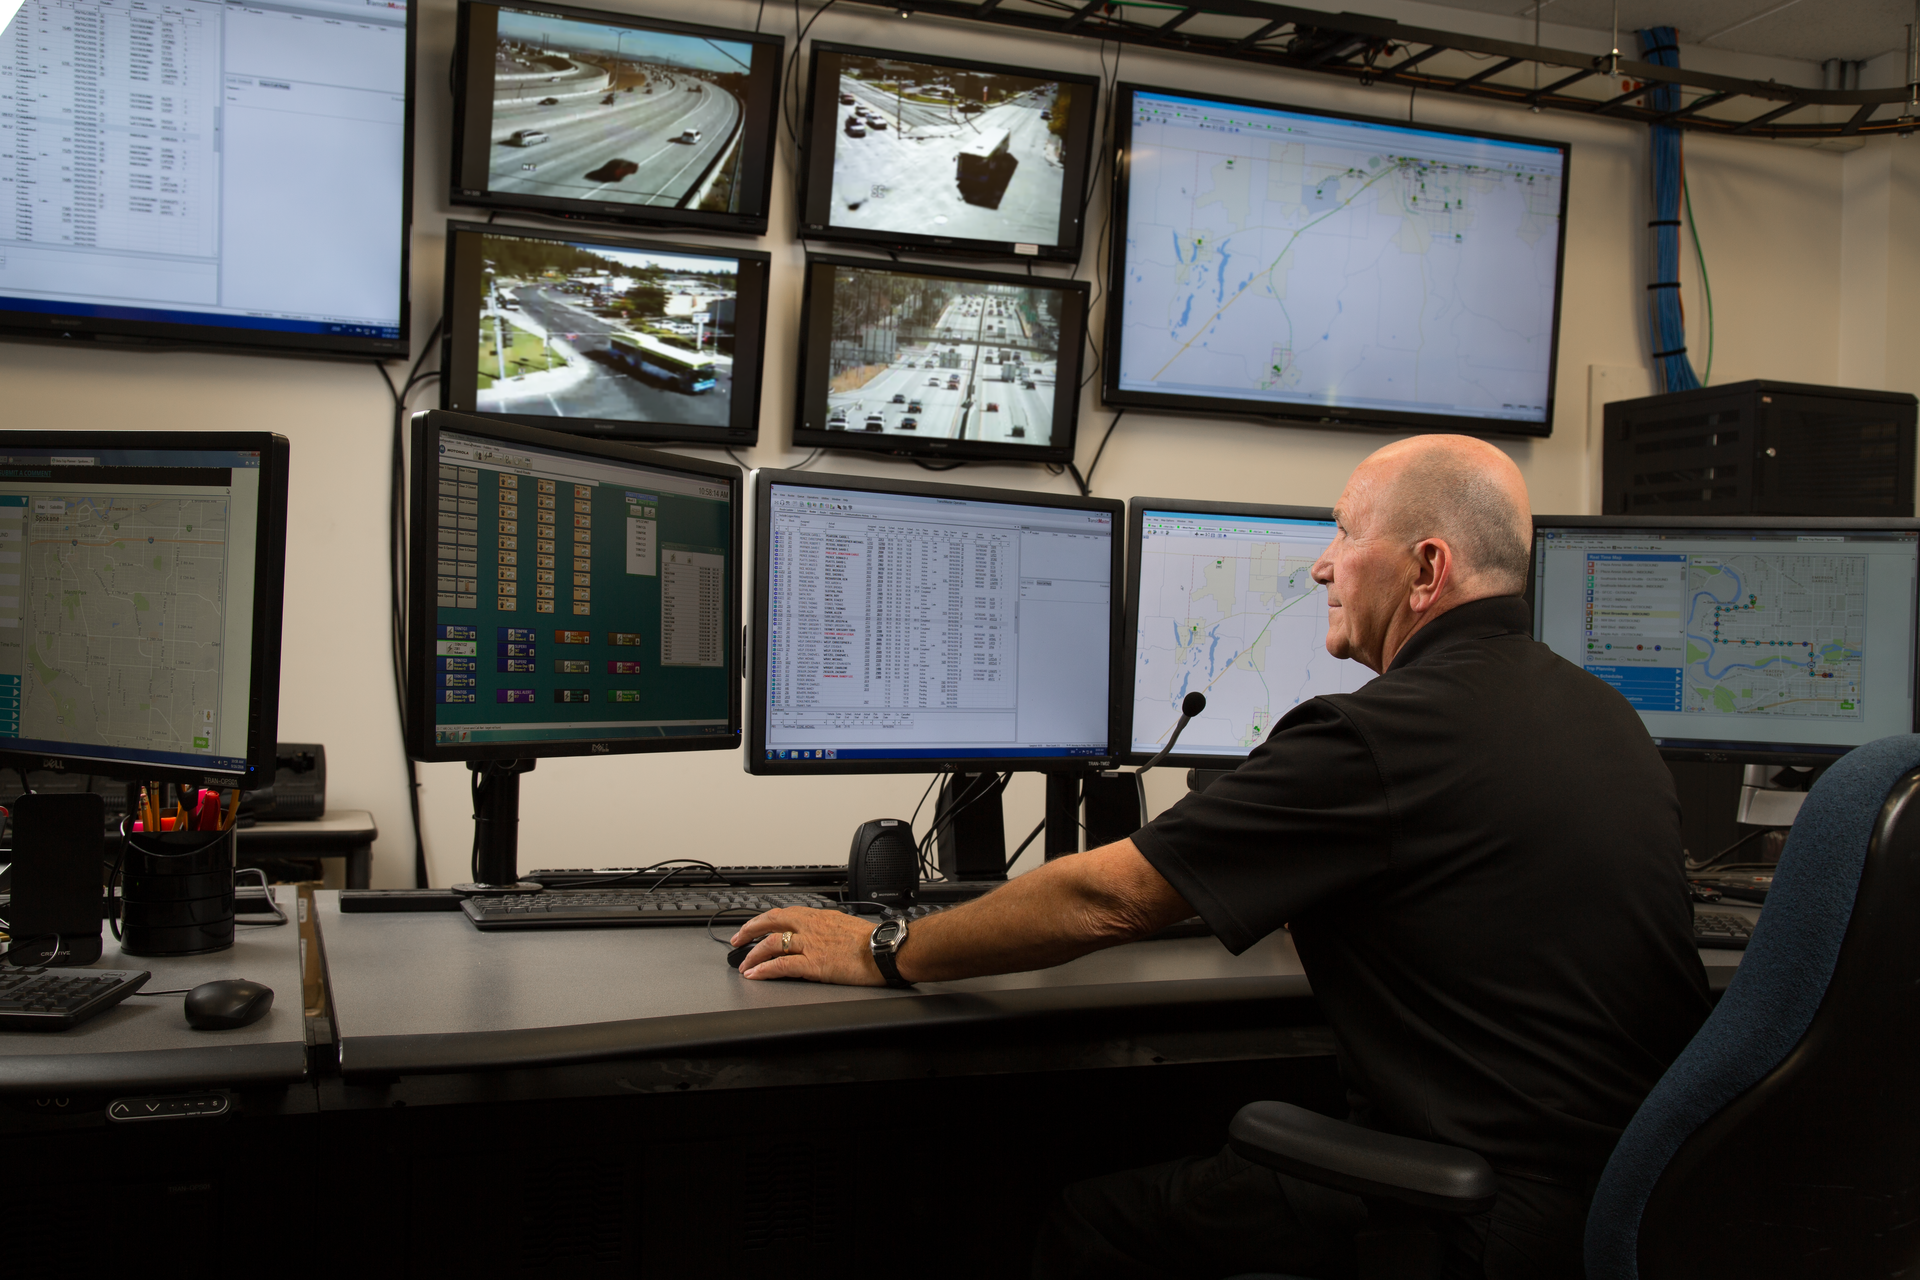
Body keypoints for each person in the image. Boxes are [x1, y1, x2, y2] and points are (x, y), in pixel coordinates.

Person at [728, 435, 1712, 1279]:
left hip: (1474, 1217)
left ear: (1426, 568)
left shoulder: (1381, 734)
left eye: (1345, 536)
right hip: (1634, 1199)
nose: (1324, 566)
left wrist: (883, 946)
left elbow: (1103, 899)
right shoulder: (1603, 712)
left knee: (1082, 1220)